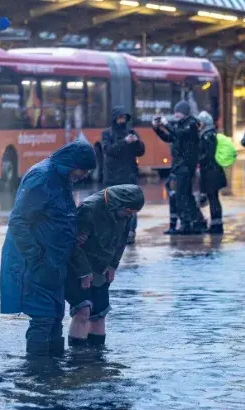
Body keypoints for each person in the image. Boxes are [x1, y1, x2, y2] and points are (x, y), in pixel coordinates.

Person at [0, 140, 97, 356]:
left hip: (54, 263)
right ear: (73, 163)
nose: (83, 175)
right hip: (36, 263)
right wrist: (37, 258)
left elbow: (63, 221)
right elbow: (18, 222)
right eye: (83, 170)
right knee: (43, 318)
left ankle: (52, 375)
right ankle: (37, 374)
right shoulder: (42, 177)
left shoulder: (62, 178)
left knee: (54, 317)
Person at [65, 184, 145, 348]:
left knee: (100, 313)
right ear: (119, 204)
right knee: (83, 310)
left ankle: (98, 356)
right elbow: (73, 244)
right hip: (79, 267)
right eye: (128, 212)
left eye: (132, 213)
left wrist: (113, 265)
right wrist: (84, 272)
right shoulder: (90, 208)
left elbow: (122, 241)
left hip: (102, 267)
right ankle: (78, 357)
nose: (129, 216)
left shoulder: (125, 213)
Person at [153, 101, 201, 234]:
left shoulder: (191, 124)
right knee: (180, 194)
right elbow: (169, 137)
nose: (176, 114)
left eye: (178, 112)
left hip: (185, 166)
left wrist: (166, 124)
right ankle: (193, 221)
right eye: (175, 112)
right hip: (178, 166)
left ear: (185, 112)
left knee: (181, 195)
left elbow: (179, 134)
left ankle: (187, 224)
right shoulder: (181, 125)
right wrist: (157, 128)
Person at [101, 106, 145, 244]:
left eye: (124, 118)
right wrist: (124, 142)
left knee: (131, 205)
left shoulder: (131, 132)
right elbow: (109, 150)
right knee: (113, 206)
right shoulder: (107, 134)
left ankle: (130, 232)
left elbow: (140, 151)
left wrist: (136, 142)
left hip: (129, 174)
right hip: (112, 176)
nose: (122, 120)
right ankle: (115, 232)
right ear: (115, 118)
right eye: (120, 117)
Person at [196, 111, 228, 234]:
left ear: (205, 122)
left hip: (211, 172)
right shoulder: (210, 134)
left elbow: (208, 155)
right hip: (213, 172)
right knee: (213, 198)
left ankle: (217, 226)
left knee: (213, 199)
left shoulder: (208, 135)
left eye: (200, 122)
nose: (199, 124)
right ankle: (216, 224)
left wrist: (198, 159)